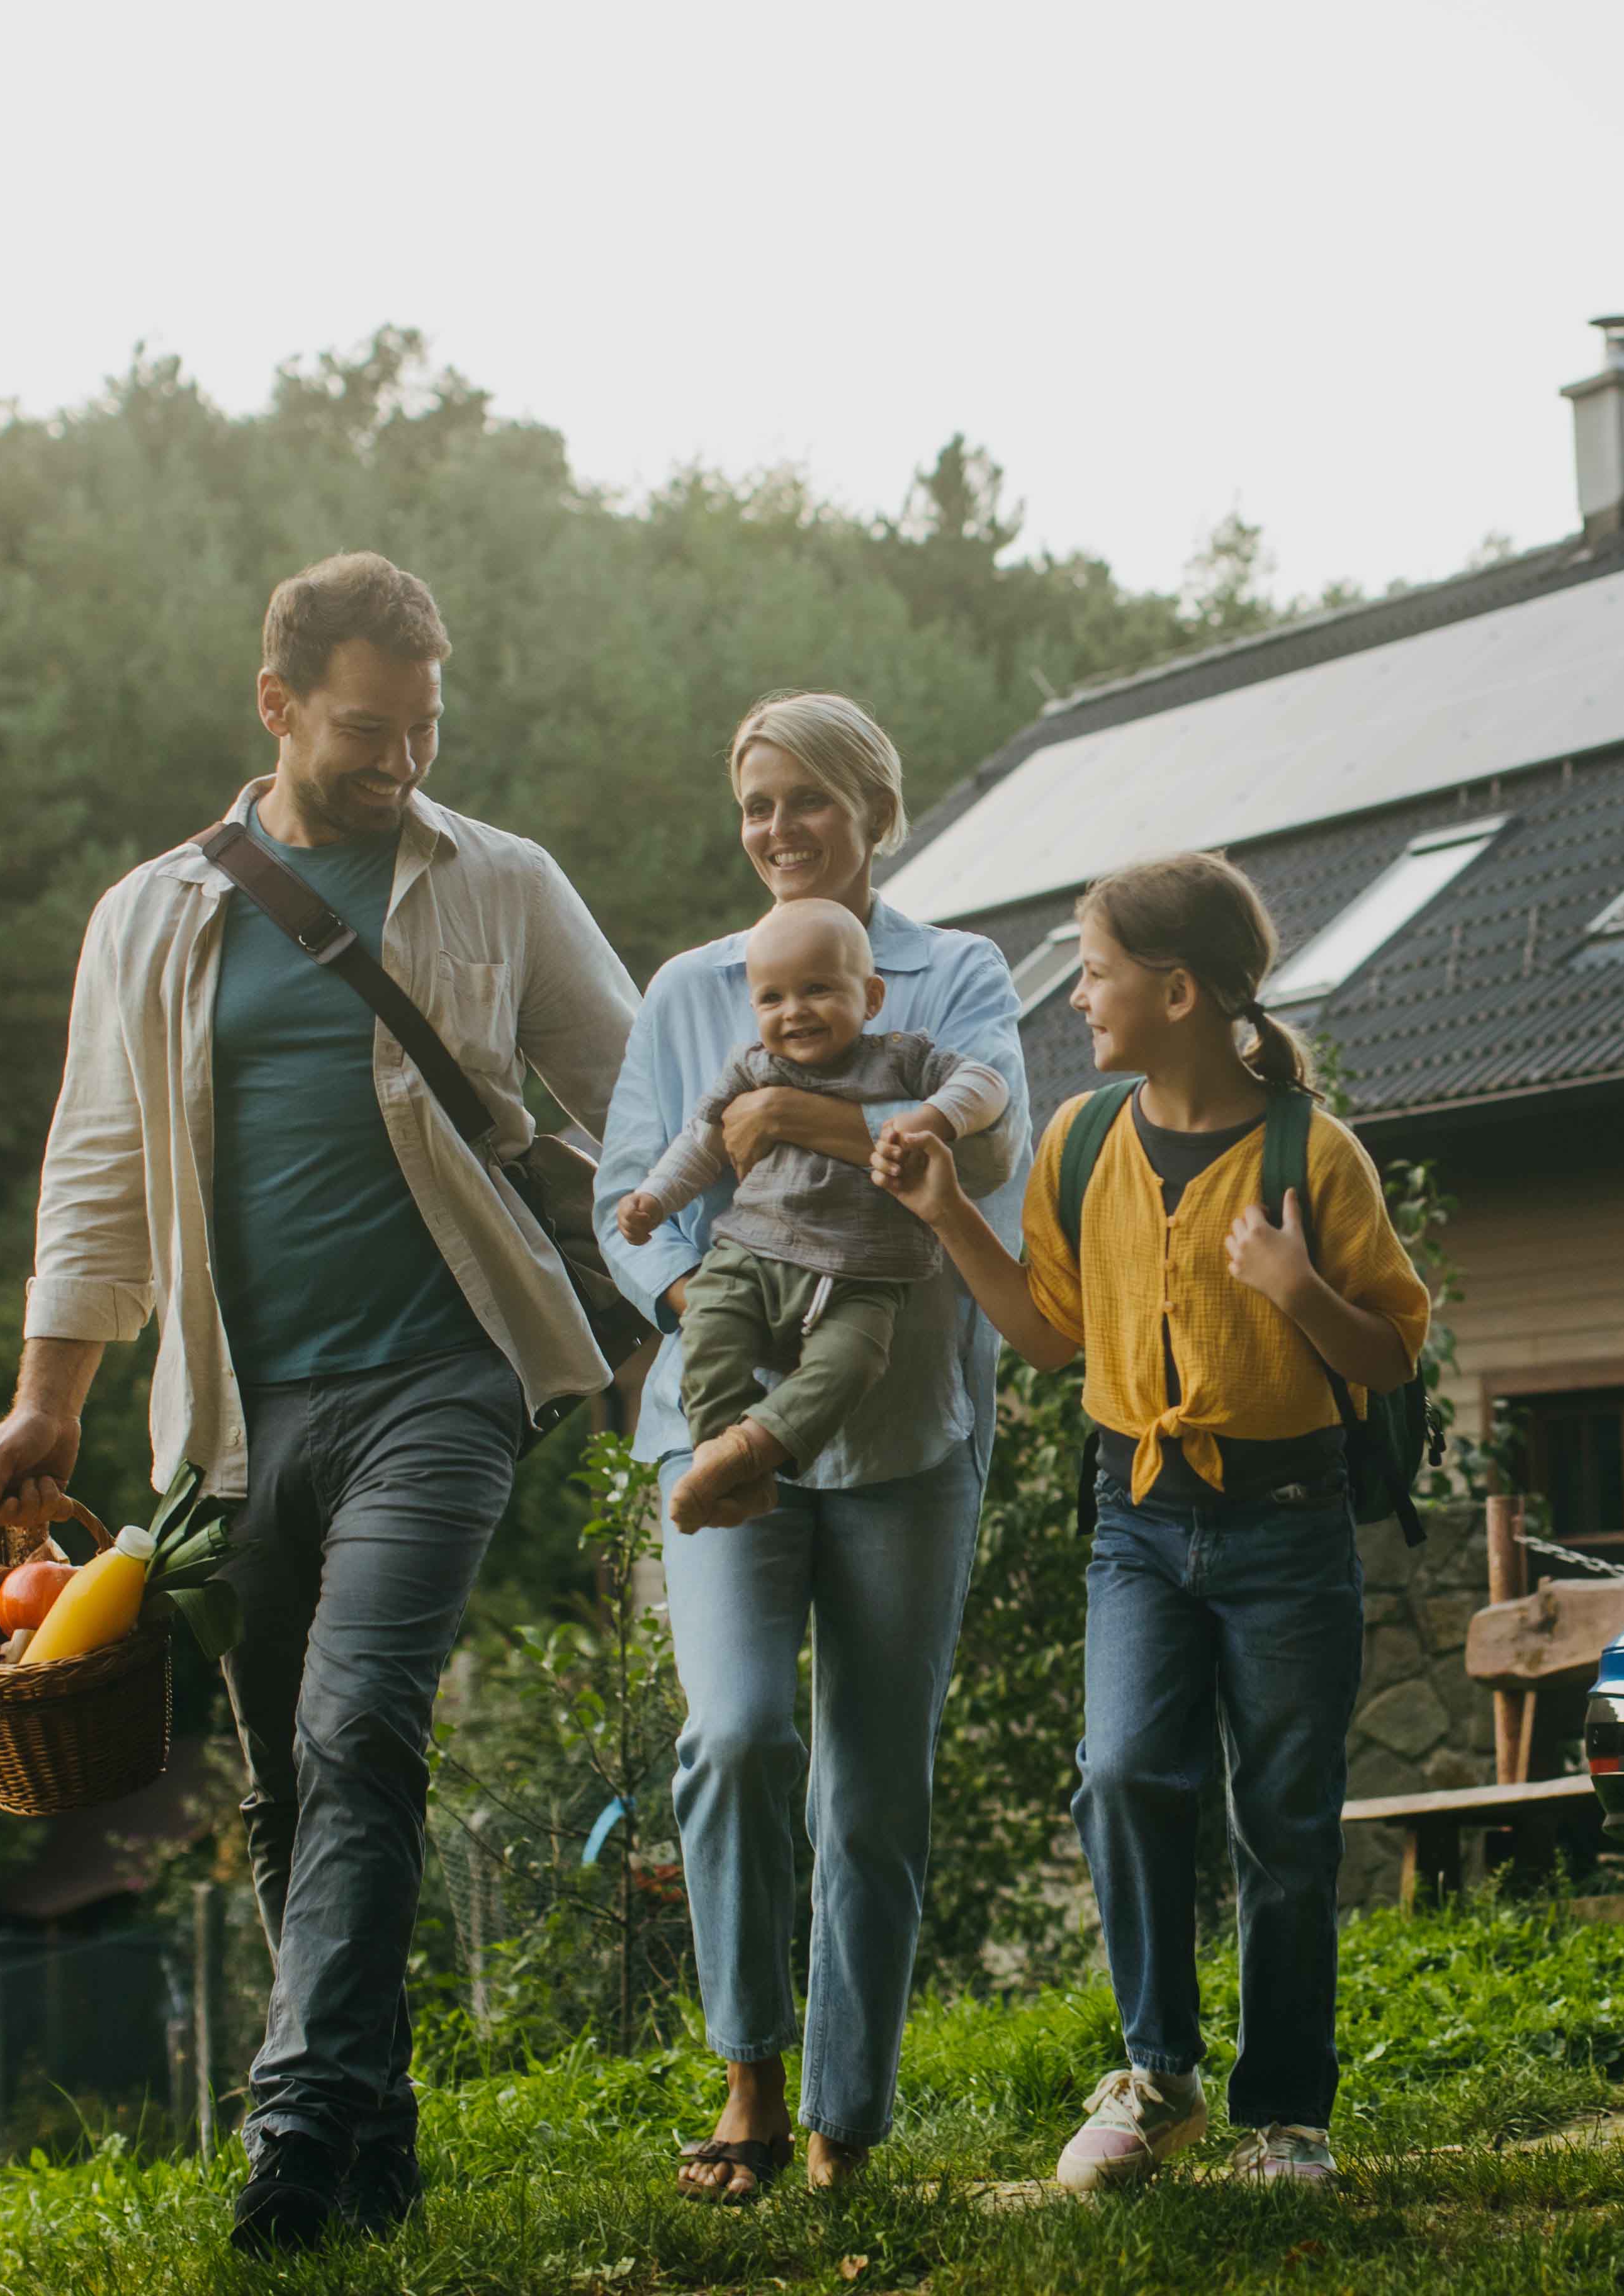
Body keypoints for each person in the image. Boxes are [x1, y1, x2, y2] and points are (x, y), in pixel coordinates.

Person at [0, 553, 640, 2255]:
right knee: (288, 1773)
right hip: (233, 1417)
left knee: (360, 1727)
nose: (402, 759)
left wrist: (725, 1293)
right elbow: (99, 1171)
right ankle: (379, 2133)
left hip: (448, 1373)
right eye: (366, 729)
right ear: (276, 708)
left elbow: (645, 1105)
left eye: (425, 727)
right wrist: (49, 1403)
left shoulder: (499, 881)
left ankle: (292, 2147)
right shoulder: (155, 913)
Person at [874, 849, 1429, 2195]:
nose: (1079, 993)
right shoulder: (1082, 1143)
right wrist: (949, 1212)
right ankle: (1161, 2073)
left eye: (1097, 966)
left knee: (1283, 1826)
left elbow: (1393, 1354)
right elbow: (1050, 1338)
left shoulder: (1312, 1151)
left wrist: (1296, 1289)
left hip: (1287, 1530)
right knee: (1122, 1774)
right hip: (1139, 1520)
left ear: (1176, 991)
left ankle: (1289, 2117)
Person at [594, 692, 1028, 2204]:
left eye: (808, 805)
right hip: (720, 1419)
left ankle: (847, 2115)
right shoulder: (688, 989)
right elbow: (625, 1197)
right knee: (733, 1738)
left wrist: (797, 1115)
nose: (779, 834)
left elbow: (987, 1147)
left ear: (872, 813)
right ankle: (747, 2083)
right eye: (756, 807)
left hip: (904, 1426)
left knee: (871, 1789)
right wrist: (691, 1286)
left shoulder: (957, 974)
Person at [612, 897, 1010, 1532]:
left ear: (871, 997)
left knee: (851, 1363)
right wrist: (654, 1199)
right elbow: (700, 1144)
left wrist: (928, 1118)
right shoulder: (751, 1069)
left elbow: (989, 1087)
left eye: (818, 989)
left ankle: (750, 1454)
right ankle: (727, 1459)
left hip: (864, 1272)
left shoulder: (902, 1060)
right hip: (752, 1253)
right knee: (711, 1331)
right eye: (772, 999)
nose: (794, 1010)